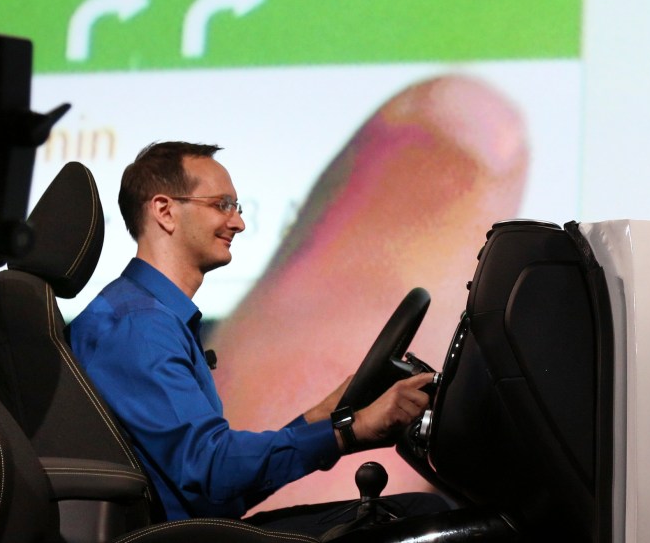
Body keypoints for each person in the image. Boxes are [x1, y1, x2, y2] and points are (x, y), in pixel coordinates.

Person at [69, 140, 442, 533]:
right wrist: (350, 430)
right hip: (188, 537)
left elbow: (218, 486)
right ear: (165, 211)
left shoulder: (142, 315)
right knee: (420, 516)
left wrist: (321, 418)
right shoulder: (140, 326)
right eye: (221, 205)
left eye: (238, 207)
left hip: (197, 528)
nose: (238, 223)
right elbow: (211, 471)